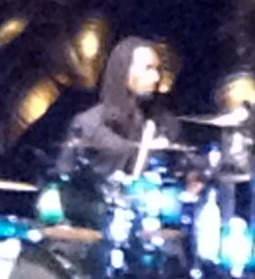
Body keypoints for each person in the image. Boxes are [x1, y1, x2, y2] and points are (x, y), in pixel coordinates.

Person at [56, 35, 173, 180]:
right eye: (148, 68)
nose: (156, 77)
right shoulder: (88, 123)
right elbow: (64, 174)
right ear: (123, 70)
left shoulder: (163, 124)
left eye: (157, 69)